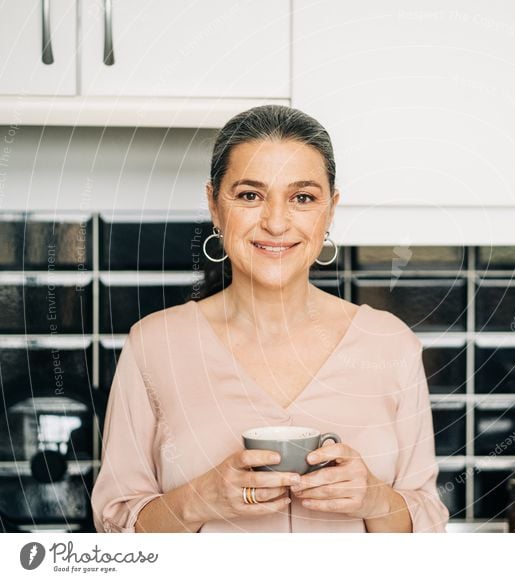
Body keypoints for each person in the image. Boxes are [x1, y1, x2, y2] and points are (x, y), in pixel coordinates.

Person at [91, 105, 449, 533]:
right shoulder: (154, 345)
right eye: (249, 195)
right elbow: (115, 527)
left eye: (302, 198)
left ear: (330, 210)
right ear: (214, 205)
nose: (276, 222)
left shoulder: (389, 344)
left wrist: (375, 499)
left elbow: (428, 527)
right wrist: (199, 500)